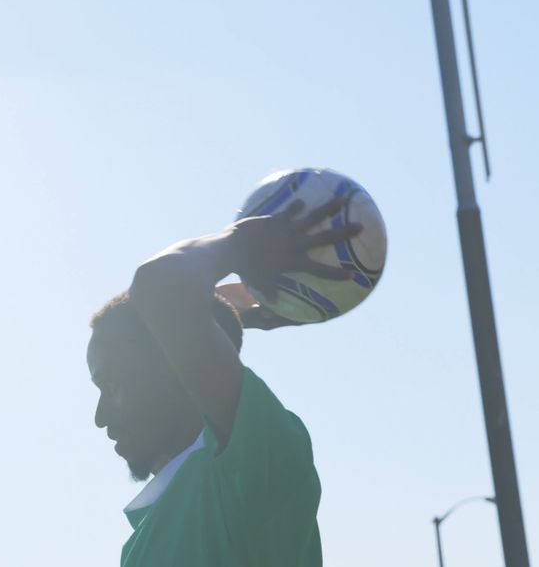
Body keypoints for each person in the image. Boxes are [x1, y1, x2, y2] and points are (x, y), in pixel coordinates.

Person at [87, 197, 362, 566]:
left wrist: (240, 244)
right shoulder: (138, 546)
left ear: (175, 367)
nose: (101, 416)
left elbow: (160, 284)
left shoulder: (257, 464)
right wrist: (226, 313)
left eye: (114, 385)